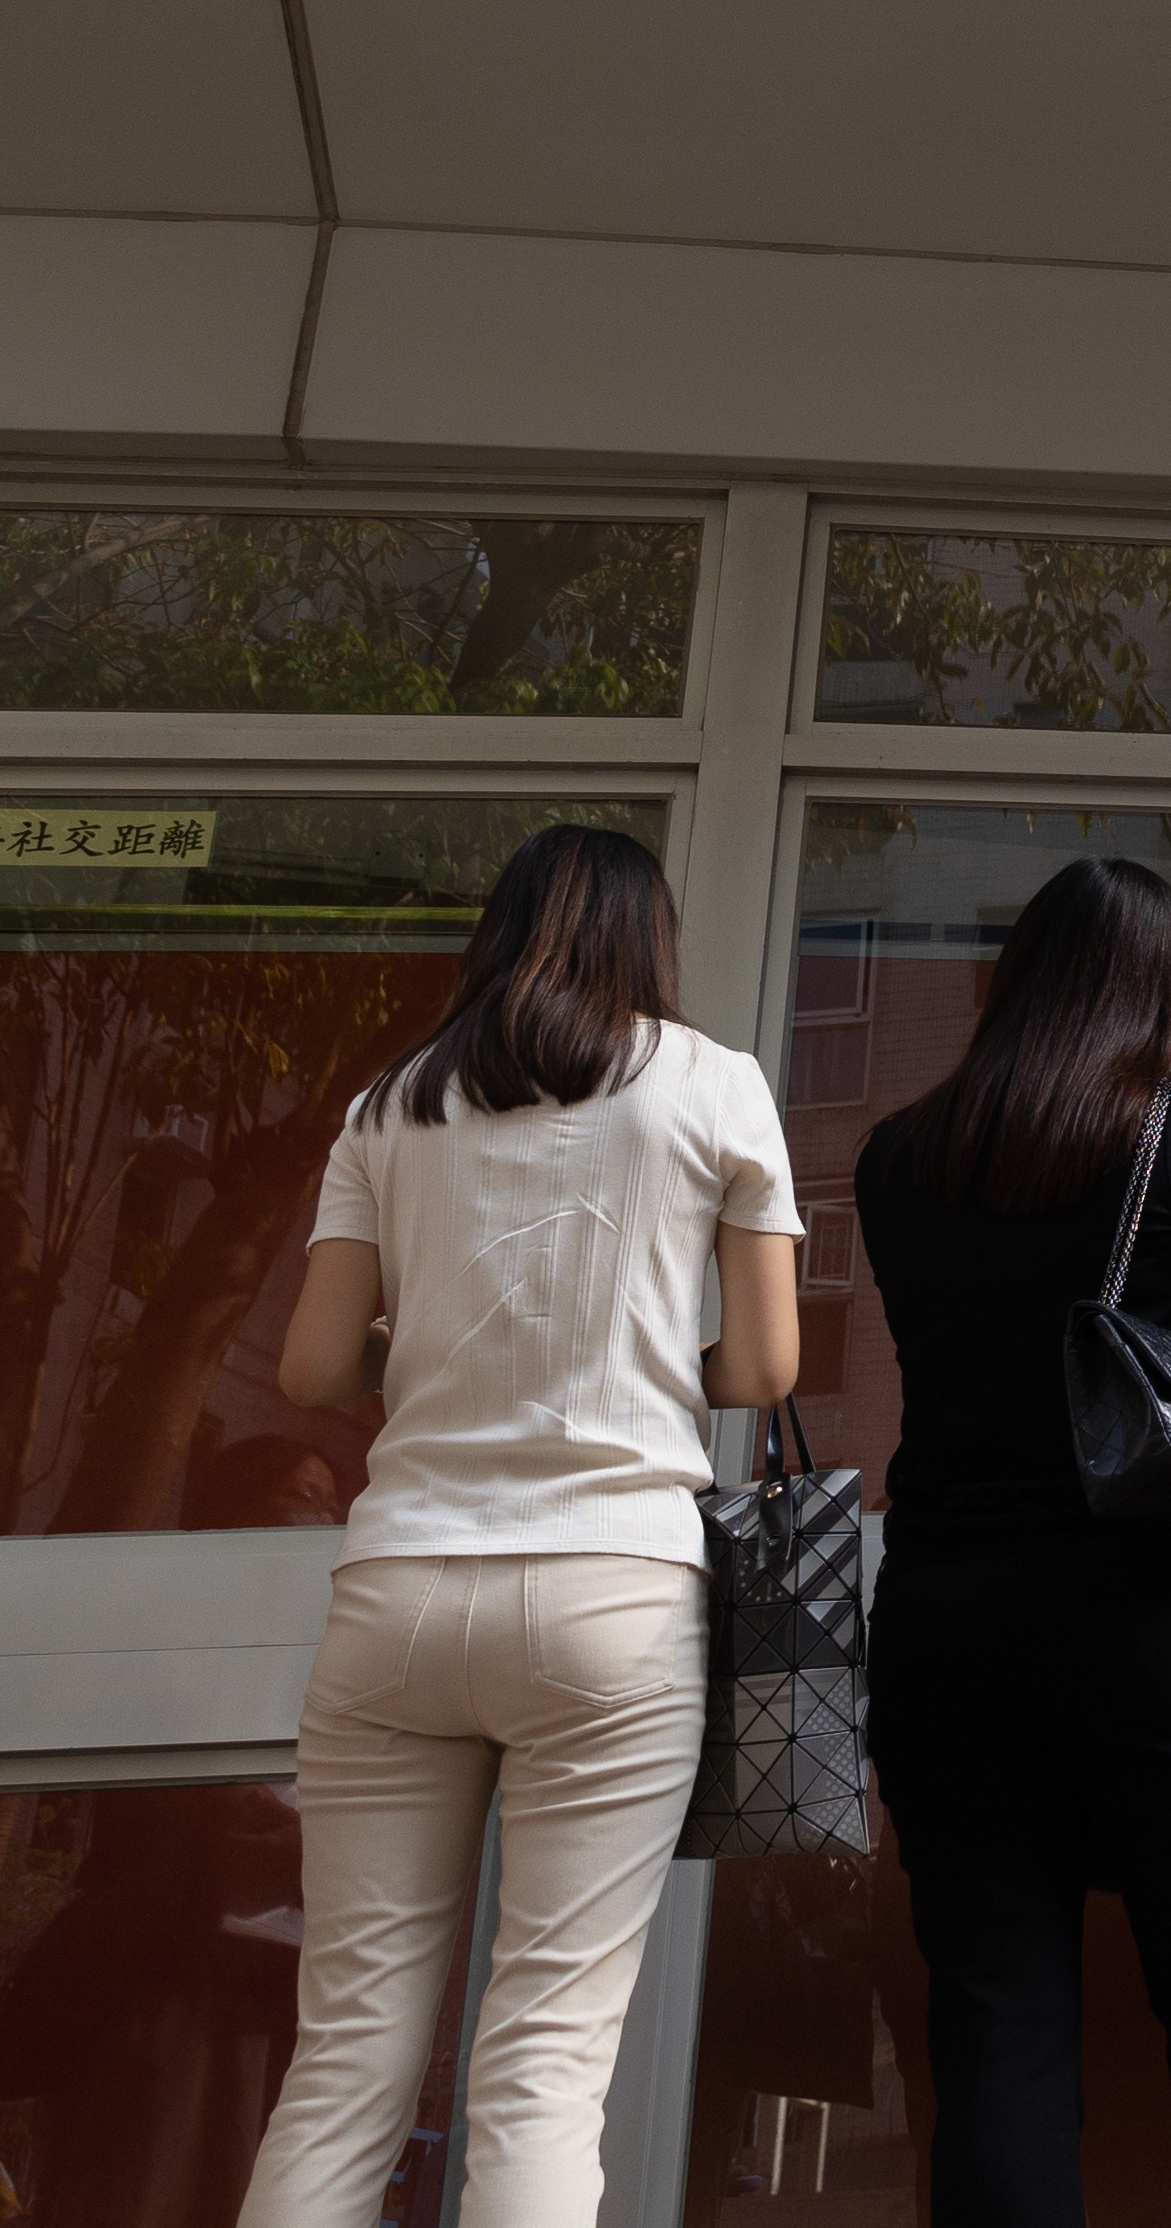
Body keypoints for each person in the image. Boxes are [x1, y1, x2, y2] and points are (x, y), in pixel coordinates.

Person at [235, 823, 803, 2228]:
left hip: (404, 1589)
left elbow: (310, 1371)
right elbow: (768, 1369)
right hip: (616, 1592)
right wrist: (666, 1369)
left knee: (348, 2062)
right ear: (648, 941)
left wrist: (422, 1356)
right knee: (545, 2061)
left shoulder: (389, 1108)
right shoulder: (716, 1086)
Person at [858, 854, 1171, 2228]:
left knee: (998, 2038)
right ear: (1156, 988)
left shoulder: (901, 1158)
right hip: (1162, 1628)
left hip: (948, 1633)